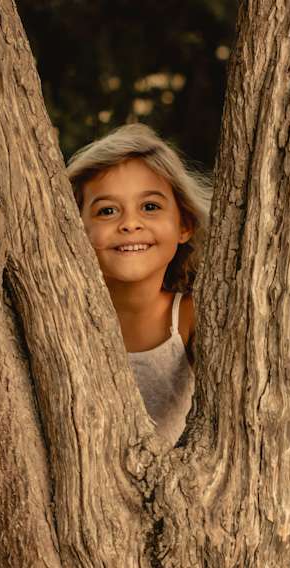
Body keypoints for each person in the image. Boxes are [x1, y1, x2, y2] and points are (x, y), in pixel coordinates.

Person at [66, 123, 211, 444]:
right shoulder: (65, 317)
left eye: (150, 207)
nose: (130, 224)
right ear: (76, 229)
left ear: (184, 224)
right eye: (107, 211)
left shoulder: (188, 317)